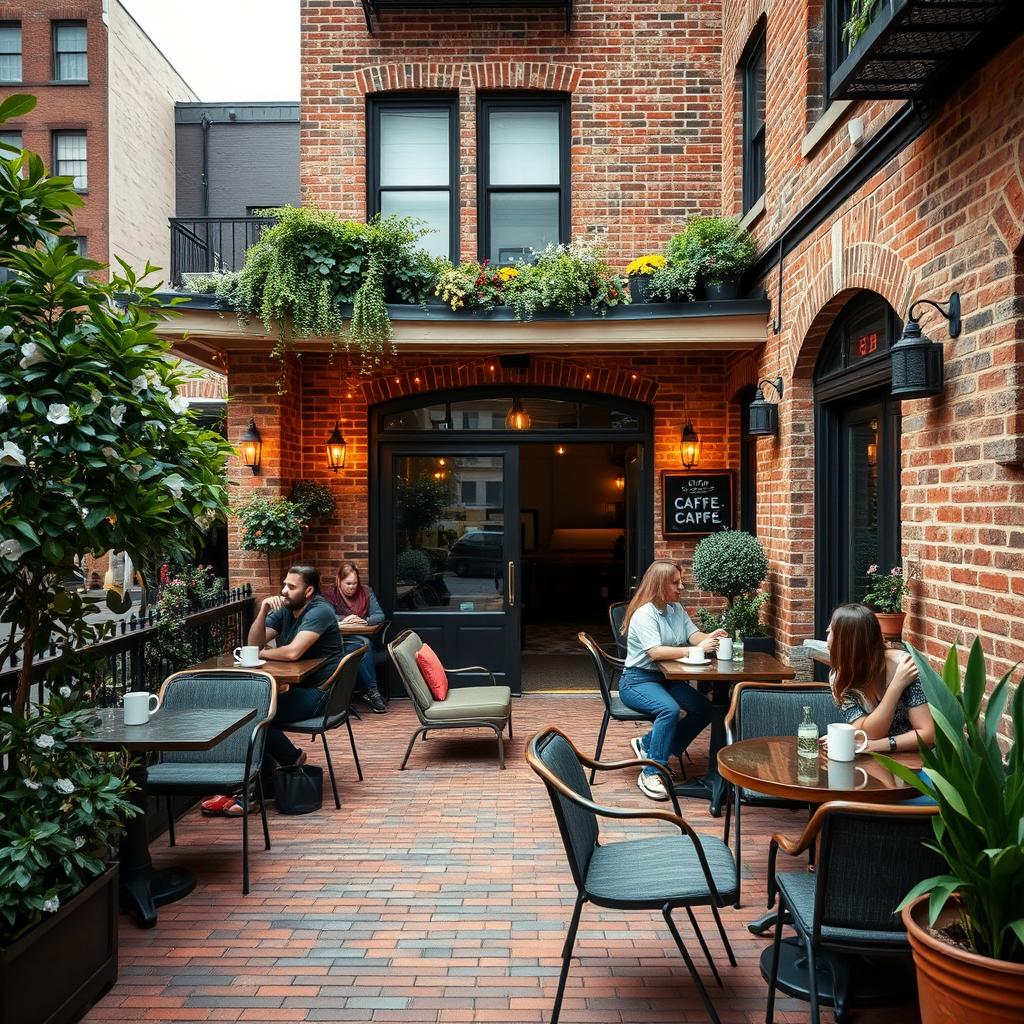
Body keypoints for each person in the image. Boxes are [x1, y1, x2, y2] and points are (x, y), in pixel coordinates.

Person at [201, 565, 344, 816]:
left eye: (291, 586)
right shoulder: (286, 609)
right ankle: (269, 777)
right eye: (284, 584)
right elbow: (253, 642)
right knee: (254, 714)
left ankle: (257, 789)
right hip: (301, 688)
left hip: (322, 694)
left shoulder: (319, 610)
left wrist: (262, 653)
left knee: (256, 718)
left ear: (309, 590)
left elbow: (292, 652)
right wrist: (263, 609)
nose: (284, 591)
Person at [618, 560, 727, 800]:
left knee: (704, 709)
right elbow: (655, 652)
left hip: (667, 678)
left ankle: (650, 745)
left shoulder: (675, 609)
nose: (681, 587)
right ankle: (651, 772)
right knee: (669, 709)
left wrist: (709, 637)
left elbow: (693, 635)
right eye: (675, 583)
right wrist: (695, 650)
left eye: (681, 582)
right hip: (637, 680)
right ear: (660, 585)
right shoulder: (644, 614)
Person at [823, 603, 935, 754]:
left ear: (848, 644)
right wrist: (896, 687)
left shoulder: (905, 667)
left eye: (831, 630)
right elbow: (869, 733)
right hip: (873, 761)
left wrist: (875, 746)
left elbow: (928, 735)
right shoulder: (841, 679)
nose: (827, 635)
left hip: (915, 763)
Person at [324, 561, 387, 714]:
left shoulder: (366, 592)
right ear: (339, 580)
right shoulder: (328, 596)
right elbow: (325, 617)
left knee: (363, 644)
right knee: (363, 644)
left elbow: (380, 615)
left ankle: (371, 691)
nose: (352, 587)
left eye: (355, 583)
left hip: (362, 640)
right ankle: (373, 691)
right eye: (348, 583)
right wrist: (343, 620)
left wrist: (365, 620)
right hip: (338, 643)